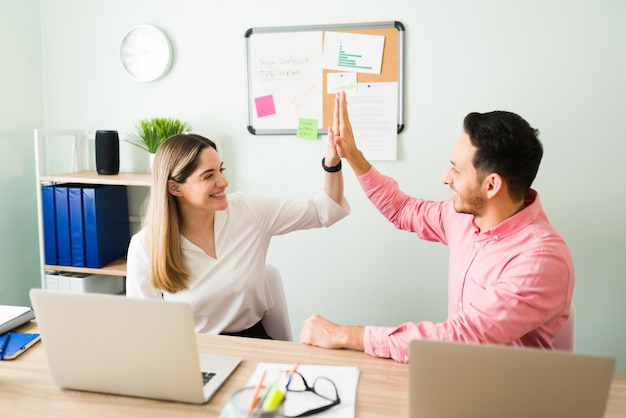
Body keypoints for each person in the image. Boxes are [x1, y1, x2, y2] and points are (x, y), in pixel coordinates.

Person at [300, 91, 574, 362]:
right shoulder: (466, 218)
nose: (446, 178)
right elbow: (402, 210)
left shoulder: (541, 258)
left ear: (491, 185)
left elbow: (463, 337)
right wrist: (353, 156)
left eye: (456, 169)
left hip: (514, 395)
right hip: (459, 374)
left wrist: (345, 336)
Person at [126, 132, 349, 339]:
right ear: (175, 188)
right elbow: (145, 331)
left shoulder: (247, 211)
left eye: (221, 170)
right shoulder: (146, 246)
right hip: (195, 355)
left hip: (254, 344)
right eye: (208, 176)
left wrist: (332, 163)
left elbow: (326, 211)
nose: (224, 182)